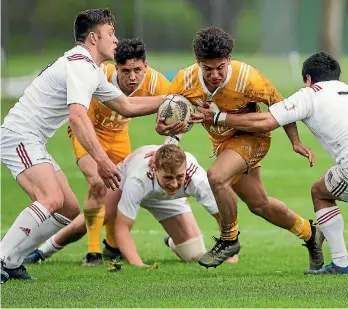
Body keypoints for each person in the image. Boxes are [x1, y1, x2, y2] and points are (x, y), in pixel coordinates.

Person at [193, 51, 348, 274]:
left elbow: (265, 122)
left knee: (320, 192)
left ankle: (340, 264)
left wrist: (216, 117)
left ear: (308, 78)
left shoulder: (309, 94)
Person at [0, 8, 177, 284]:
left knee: (68, 209)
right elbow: (77, 116)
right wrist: (103, 161)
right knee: (50, 199)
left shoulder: (91, 70)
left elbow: (126, 105)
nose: (116, 40)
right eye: (110, 33)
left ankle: (11, 261)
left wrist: (174, 99)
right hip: (19, 135)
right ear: (94, 38)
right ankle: (2, 257)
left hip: (32, 139)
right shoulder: (81, 66)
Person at [156, 26, 324, 270]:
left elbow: (280, 104)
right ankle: (311, 233)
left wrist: (295, 141)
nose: (215, 74)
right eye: (208, 68)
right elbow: (173, 114)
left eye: (220, 67)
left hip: (253, 137)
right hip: (224, 143)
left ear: (229, 60)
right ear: (198, 62)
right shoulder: (185, 80)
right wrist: (167, 131)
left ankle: (229, 239)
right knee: (259, 204)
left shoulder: (248, 78)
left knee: (216, 176)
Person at [24, 145, 235, 266]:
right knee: (90, 221)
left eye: (179, 177)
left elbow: (223, 217)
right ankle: (43, 251)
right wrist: (139, 266)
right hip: (123, 183)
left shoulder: (197, 179)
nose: (174, 183)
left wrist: (231, 254)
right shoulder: (138, 179)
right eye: (168, 177)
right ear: (155, 169)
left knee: (193, 254)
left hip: (170, 200)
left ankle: (172, 241)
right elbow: (123, 227)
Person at [66, 37, 173, 265]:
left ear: (145, 65)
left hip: (118, 135)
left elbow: (180, 104)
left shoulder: (156, 81)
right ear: (116, 67)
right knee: (96, 182)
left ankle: (112, 246)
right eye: (125, 71)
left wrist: (171, 139)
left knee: (120, 187)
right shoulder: (99, 74)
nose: (132, 77)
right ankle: (93, 252)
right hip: (88, 132)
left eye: (137, 70)